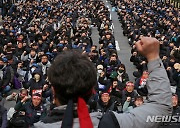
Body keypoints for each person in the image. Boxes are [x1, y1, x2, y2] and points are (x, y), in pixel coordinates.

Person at [34, 37, 172, 128]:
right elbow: (161, 107)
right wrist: (153, 57)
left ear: (53, 91)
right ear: (92, 91)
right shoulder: (112, 123)